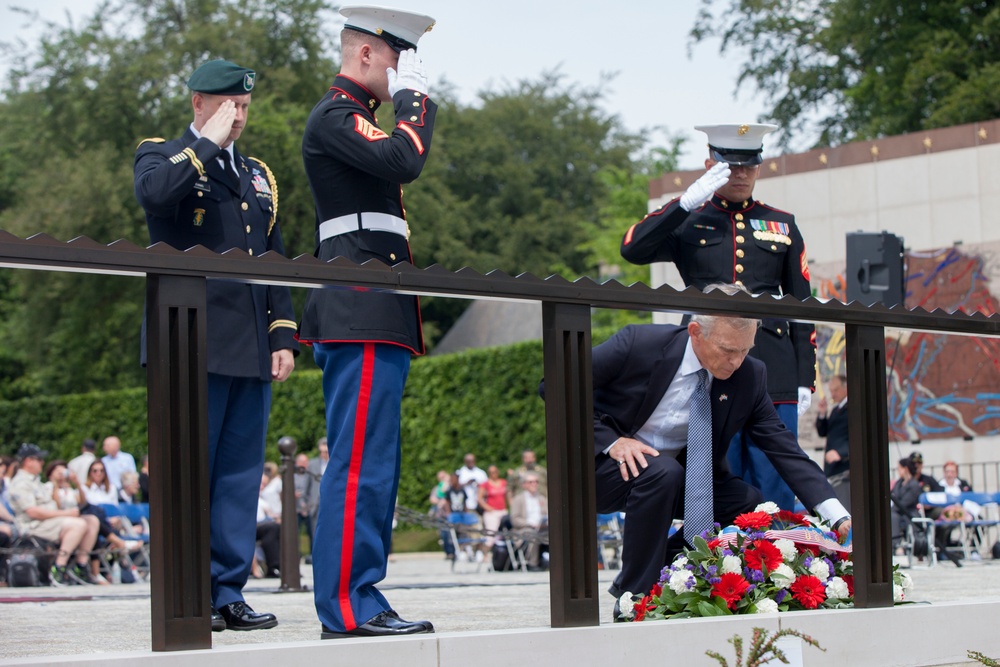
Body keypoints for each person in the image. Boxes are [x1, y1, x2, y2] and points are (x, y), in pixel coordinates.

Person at [542, 284, 850, 614]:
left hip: (675, 481)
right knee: (662, 470)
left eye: (746, 350)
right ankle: (633, 595)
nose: (736, 362)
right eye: (728, 350)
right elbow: (556, 384)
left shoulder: (750, 374)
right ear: (695, 332)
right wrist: (613, 442)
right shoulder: (639, 344)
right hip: (602, 468)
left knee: (747, 501)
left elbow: (783, 446)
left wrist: (836, 513)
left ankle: (669, 570)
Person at [134, 58, 299, 632]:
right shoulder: (162, 153)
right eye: (231, 107)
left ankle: (227, 590)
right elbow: (156, 198)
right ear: (200, 104)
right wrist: (203, 144)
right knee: (188, 471)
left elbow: (273, 260)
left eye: (246, 108)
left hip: (251, 346)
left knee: (237, 477)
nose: (240, 118)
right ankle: (183, 587)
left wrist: (283, 334)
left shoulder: (258, 174)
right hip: (191, 342)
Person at [297, 5, 437, 640]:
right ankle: (348, 607)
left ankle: (363, 595)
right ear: (366, 56)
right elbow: (403, 163)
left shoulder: (356, 120)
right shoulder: (335, 117)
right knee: (359, 463)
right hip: (358, 305)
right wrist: (416, 107)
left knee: (376, 462)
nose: (407, 76)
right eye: (399, 60)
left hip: (376, 308)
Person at [620, 123, 815, 510]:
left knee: (775, 476)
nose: (741, 174)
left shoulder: (782, 223)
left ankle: (779, 562)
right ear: (711, 165)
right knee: (713, 474)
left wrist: (805, 378)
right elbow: (633, 249)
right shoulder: (690, 218)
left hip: (771, 362)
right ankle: (715, 563)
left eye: (750, 166)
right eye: (731, 166)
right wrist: (684, 204)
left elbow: (801, 306)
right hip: (703, 360)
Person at [7, 443, 101, 586]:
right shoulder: (21, 483)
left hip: (48, 522)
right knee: (78, 524)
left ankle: (80, 564)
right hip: (33, 525)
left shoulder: (36, 481)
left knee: (92, 520)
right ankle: (59, 568)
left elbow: (55, 504)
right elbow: (32, 512)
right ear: (28, 461)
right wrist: (65, 513)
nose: (42, 462)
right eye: (39, 459)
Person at [815, 374, 850, 510]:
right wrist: (822, 413)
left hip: (844, 465)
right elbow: (823, 432)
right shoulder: (836, 409)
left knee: (845, 503)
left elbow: (855, 435)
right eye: (831, 391)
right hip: (832, 466)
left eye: (835, 390)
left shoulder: (852, 408)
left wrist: (841, 453)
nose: (832, 394)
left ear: (845, 388)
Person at [508, 473, 549, 571]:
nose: (534, 484)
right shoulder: (518, 499)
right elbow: (514, 519)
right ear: (524, 485)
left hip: (542, 528)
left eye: (536, 482)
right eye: (531, 482)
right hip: (524, 529)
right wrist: (530, 523)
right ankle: (532, 563)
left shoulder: (542, 498)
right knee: (533, 534)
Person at [303, 437, 328, 545]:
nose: (323, 454)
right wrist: (304, 502)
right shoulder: (312, 464)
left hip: (332, 502)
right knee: (315, 532)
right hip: (315, 503)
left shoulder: (336, 463)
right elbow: (306, 485)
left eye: (325, 452)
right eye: (321, 451)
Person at [477, 465, 507, 549]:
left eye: (495, 472)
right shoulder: (485, 484)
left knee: (504, 534)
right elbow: (479, 498)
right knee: (491, 535)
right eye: (491, 472)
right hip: (492, 512)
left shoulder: (503, 482)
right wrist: (487, 507)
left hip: (502, 510)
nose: (493, 474)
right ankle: (485, 554)